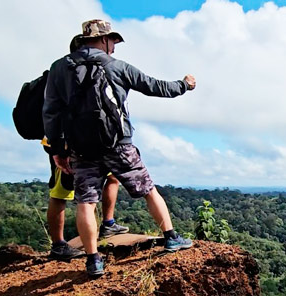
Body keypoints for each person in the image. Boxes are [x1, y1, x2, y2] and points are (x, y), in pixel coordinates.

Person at [43, 19, 195, 277]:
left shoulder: (60, 68)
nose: (114, 46)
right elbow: (155, 87)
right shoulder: (117, 67)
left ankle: (93, 261)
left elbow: (51, 112)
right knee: (148, 189)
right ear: (103, 39)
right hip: (118, 145)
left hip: (80, 149)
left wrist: (57, 149)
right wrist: (184, 85)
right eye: (112, 40)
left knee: (86, 202)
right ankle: (170, 237)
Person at [45, 34, 128, 260]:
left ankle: (108, 223)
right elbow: (51, 113)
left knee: (112, 178)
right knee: (63, 192)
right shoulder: (62, 74)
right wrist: (57, 149)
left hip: (92, 143)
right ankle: (59, 244)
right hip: (65, 144)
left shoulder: (87, 73)